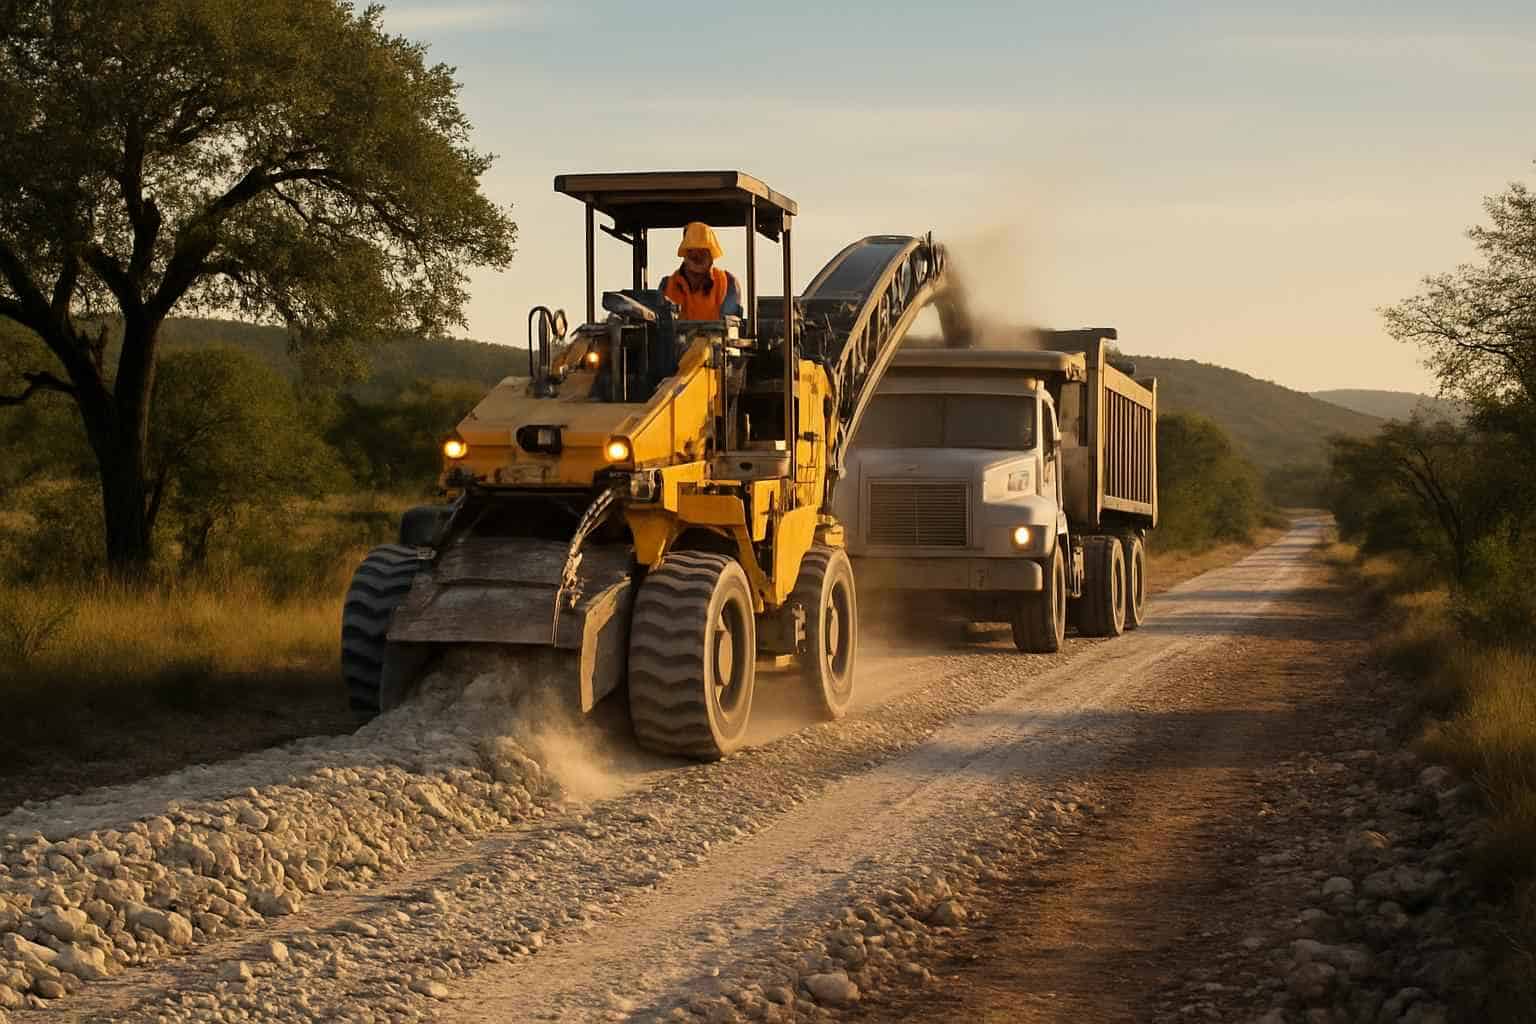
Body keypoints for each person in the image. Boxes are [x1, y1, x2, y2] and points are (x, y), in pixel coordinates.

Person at [661, 222, 743, 320]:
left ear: (712, 254)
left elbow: (729, 327)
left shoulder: (728, 283)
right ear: (684, 252)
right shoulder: (667, 285)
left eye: (703, 250)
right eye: (692, 249)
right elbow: (661, 327)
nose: (697, 256)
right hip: (676, 336)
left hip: (717, 336)